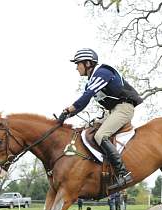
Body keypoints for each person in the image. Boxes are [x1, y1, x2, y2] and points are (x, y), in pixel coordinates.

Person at [58, 48, 143, 191]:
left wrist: (68, 110)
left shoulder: (102, 73)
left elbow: (86, 98)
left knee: (100, 135)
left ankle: (123, 173)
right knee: (87, 129)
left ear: (88, 63)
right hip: (112, 111)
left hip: (124, 108)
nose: (76, 67)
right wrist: (67, 116)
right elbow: (83, 103)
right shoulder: (91, 81)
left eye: (78, 63)